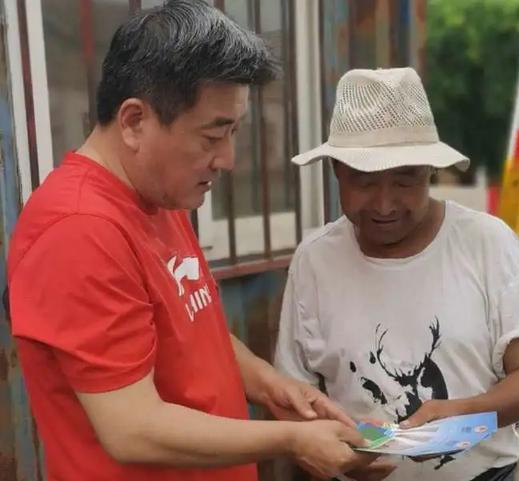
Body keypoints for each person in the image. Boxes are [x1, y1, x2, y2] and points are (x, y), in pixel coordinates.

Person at [7, 2, 377, 480]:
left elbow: (188, 327)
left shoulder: (158, 194)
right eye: (211, 136)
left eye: (234, 132)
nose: (228, 159)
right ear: (135, 121)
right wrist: (292, 438)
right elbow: (132, 427)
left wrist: (269, 385)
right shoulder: (80, 230)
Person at [275, 67, 519, 481]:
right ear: (336, 171)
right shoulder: (314, 261)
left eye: (405, 180)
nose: (385, 204)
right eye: (364, 182)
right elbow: (292, 394)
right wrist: (324, 453)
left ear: (430, 171)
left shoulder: (486, 242)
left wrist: (464, 419)